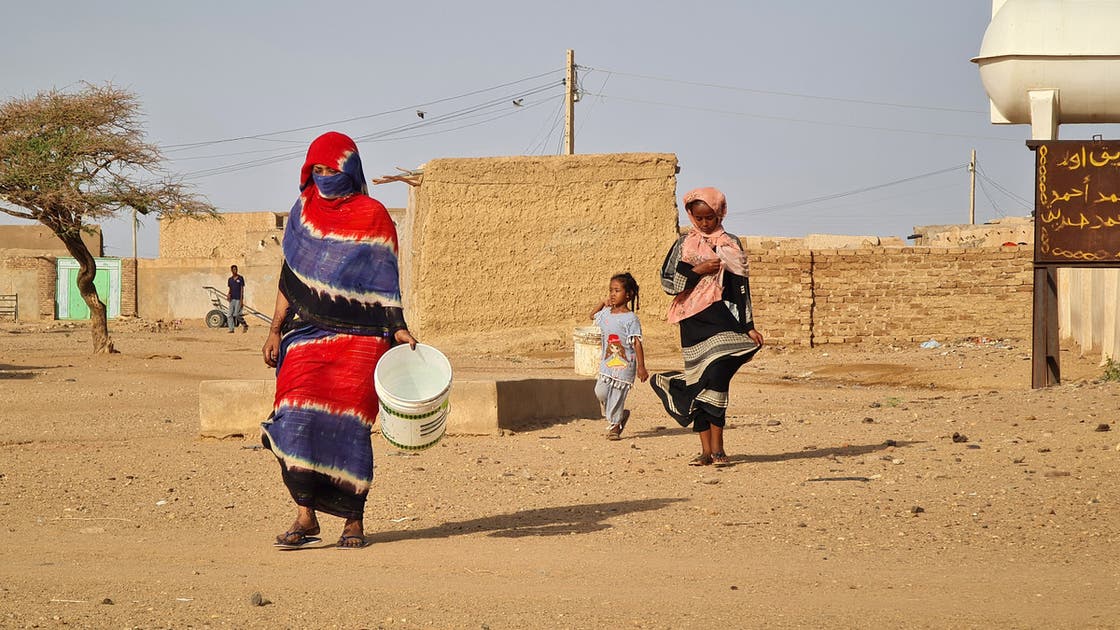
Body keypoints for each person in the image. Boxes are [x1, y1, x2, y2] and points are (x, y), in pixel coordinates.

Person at [260, 131, 417, 550]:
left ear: (350, 170)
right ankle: (305, 516)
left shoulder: (374, 215)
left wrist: (397, 328)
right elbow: (289, 278)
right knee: (293, 418)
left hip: (361, 338)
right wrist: (274, 329)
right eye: (318, 169)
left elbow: (386, 283)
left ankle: (353, 519)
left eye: (332, 169)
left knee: (350, 427)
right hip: (307, 333)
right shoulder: (302, 214)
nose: (325, 177)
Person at [650, 187, 764, 467]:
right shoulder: (682, 245)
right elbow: (668, 283)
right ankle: (706, 452)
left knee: (717, 379)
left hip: (722, 318)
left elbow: (740, 287)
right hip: (692, 320)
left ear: (720, 213)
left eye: (709, 218)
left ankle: (718, 446)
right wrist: (699, 270)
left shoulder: (730, 243)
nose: (704, 223)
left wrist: (748, 325)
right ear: (691, 215)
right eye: (698, 218)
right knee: (702, 383)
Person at [588, 272, 648, 440]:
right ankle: (619, 415)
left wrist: (641, 367)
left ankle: (615, 426)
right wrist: (602, 303)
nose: (612, 294)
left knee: (617, 395)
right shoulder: (606, 313)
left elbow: (637, 342)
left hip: (624, 365)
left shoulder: (631, 319)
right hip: (607, 363)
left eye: (617, 290)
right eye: (610, 291)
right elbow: (592, 316)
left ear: (628, 295)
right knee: (600, 392)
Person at [226, 265, 248, 333]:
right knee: (229, 314)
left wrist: (241, 300)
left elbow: (242, 289)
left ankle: (245, 324)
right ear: (231, 270)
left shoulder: (240, 278)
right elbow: (230, 289)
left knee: (236, 314)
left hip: (238, 299)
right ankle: (231, 329)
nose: (235, 270)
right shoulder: (230, 279)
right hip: (232, 299)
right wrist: (228, 295)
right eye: (234, 269)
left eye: (236, 269)